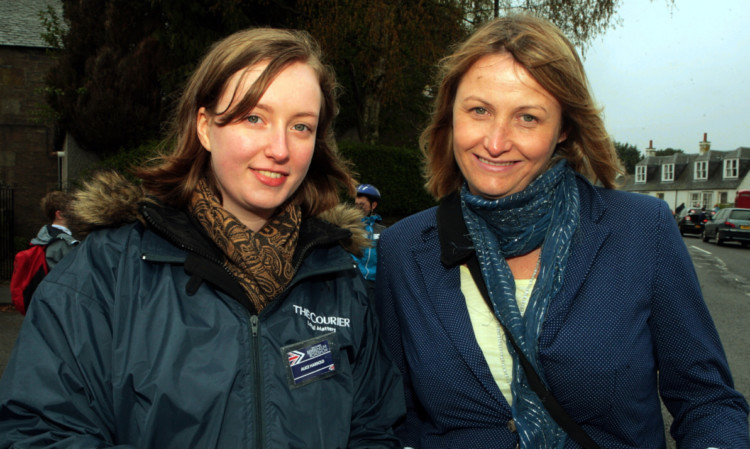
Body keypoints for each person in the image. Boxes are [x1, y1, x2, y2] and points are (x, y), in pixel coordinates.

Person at [0, 28, 404, 448]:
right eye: (254, 117)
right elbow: (38, 432)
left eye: (301, 126)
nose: (280, 148)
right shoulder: (108, 271)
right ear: (205, 127)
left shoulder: (337, 279)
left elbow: (375, 429)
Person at [375, 14, 749, 449]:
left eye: (527, 118)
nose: (495, 142)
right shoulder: (403, 249)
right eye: (479, 110)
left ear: (564, 128)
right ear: (450, 115)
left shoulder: (642, 230)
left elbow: (706, 401)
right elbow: (389, 417)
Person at [32, 190, 78, 270]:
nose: (75, 213)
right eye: (71, 210)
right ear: (59, 215)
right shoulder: (63, 243)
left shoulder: (44, 237)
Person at [352, 183, 386, 289]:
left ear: (373, 205)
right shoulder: (350, 227)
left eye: (362, 205)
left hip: (377, 284)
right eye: (356, 204)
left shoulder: (383, 231)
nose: (358, 208)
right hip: (354, 283)